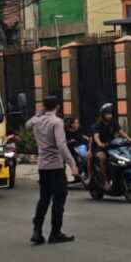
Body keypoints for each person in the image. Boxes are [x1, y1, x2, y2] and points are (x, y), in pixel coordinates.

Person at [26, 95, 79, 245]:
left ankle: (37, 230)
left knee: (44, 198)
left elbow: (27, 125)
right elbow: (61, 144)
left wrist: (39, 113)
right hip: (55, 165)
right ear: (58, 107)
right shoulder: (57, 122)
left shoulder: (37, 120)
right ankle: (55, 232)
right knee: (59, 199)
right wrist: (72, 164)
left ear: (44, 106)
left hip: (43, 166)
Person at [90, 103, 131, 186]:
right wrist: (100, 144)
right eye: (107, 114)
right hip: (99, 148)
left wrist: (128, 138)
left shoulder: (113, 123)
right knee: (103, 158)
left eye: (110, 113)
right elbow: (96, 137)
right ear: (103, 115)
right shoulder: (97, 125)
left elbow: (121, 131)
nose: (109, 115)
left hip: (111, 147)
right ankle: (106, 181)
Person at [65, 117, 89, 184]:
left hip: (80, 150)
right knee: (78, 160)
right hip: (71, 152)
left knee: (86, 159)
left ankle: (84, 175)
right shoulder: (67, 133)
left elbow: (83, 138)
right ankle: (80, 175)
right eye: (76, 123)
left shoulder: (79, 131)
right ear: (71, 124)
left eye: (78, 123)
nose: (77, 125)